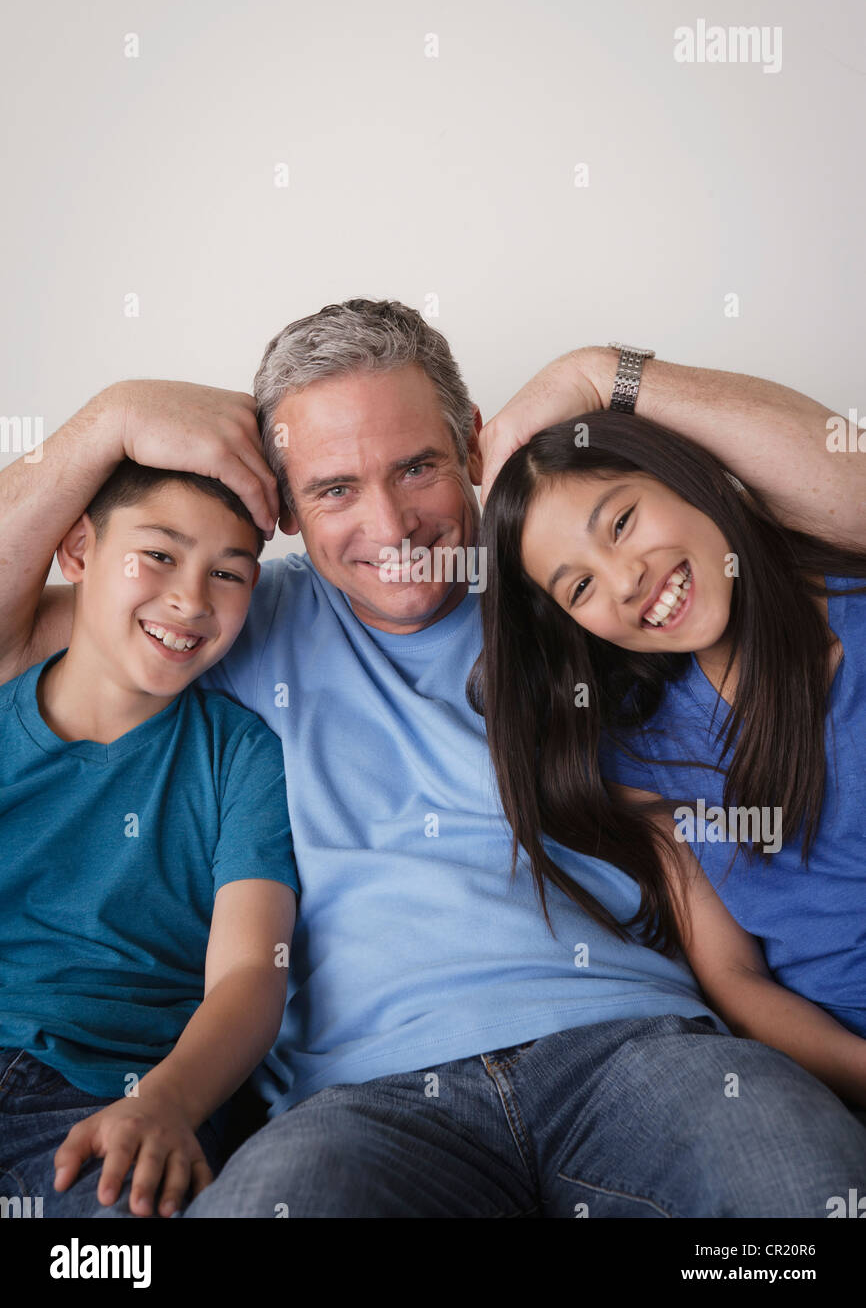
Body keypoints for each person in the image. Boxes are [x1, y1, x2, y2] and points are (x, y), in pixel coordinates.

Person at [2, 299, 866, 1218]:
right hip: (365, 1101)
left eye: (417, 467)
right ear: (285, 510)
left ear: (473, 453)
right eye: (335, 488)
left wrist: (600, 371)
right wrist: (107, 423)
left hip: (636, 1049)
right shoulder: (232, 608)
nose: (392, 523)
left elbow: (848, 498)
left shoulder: (576, 589)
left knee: (808, 1197)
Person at [471, 407, 866, 1116]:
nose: (624, 581)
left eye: (621, 523)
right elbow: (737, 980)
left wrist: (603, 369)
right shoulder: (640, 751)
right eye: (580, 588)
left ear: (684, 479)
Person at [0, 460, 299, 1219]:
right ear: (77, 552)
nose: (190, 600)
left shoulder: (241, 756)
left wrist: (165, 1104)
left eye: (229, 574)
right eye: (159, 556)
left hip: (112, 1102)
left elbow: (250, 976)